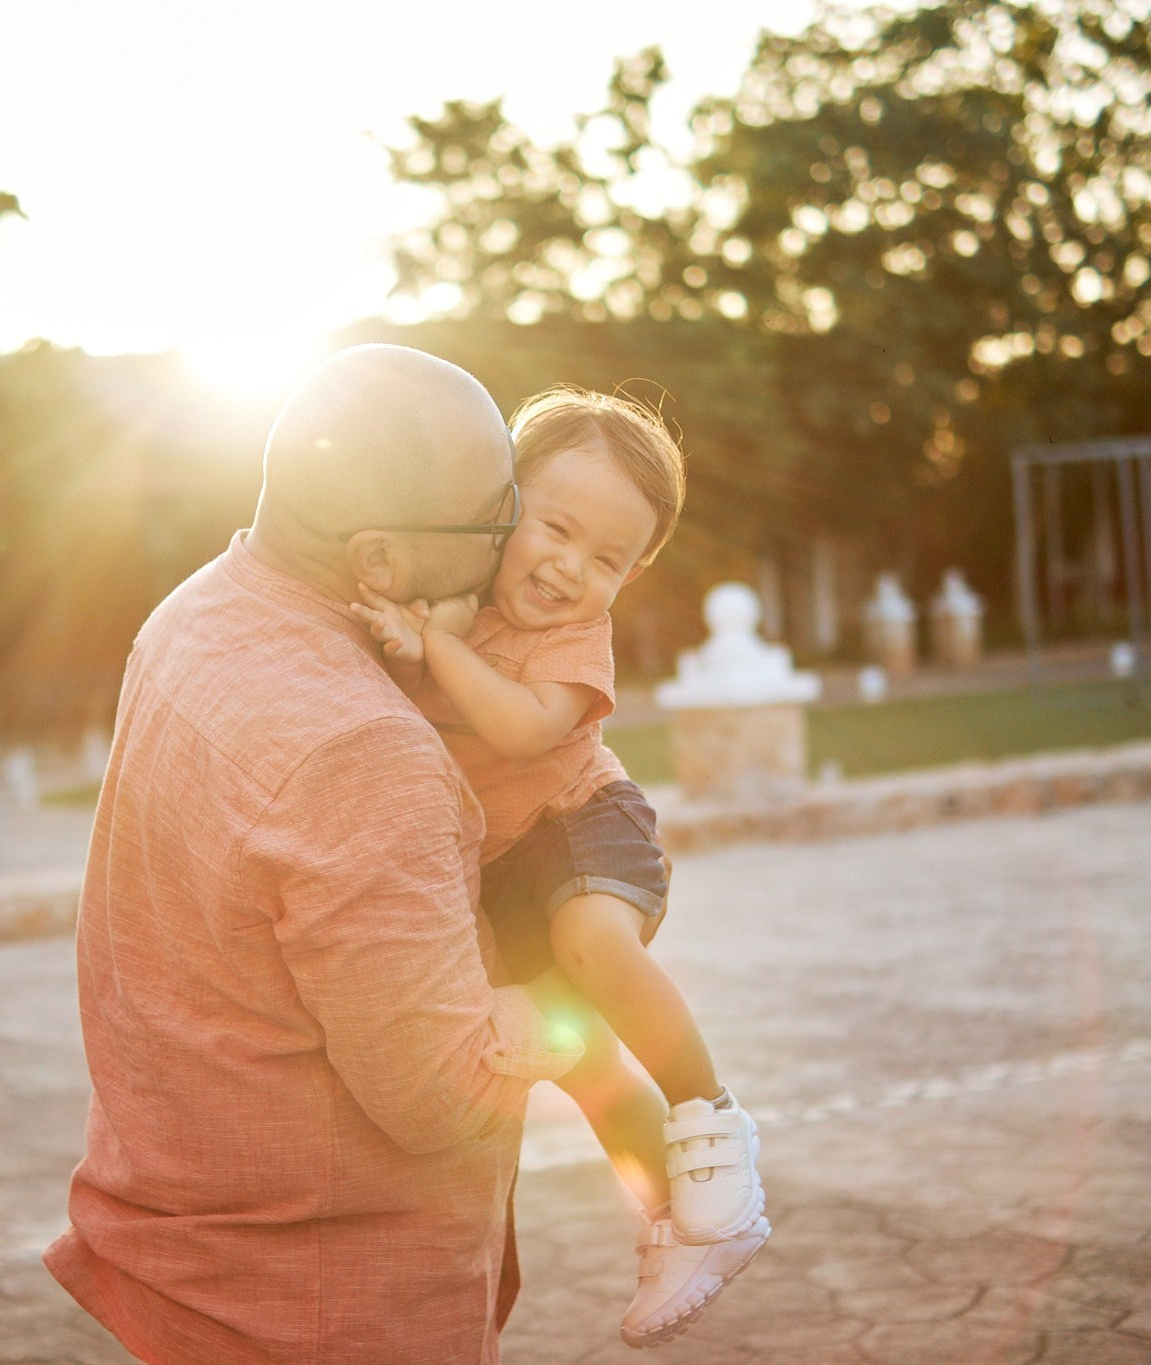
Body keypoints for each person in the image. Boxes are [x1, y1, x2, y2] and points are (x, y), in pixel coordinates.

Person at [42, 345, 583, 1364]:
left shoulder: (195, 611)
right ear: (376, 563)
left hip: (196, 1245)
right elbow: (436, 1095)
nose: (518, 544)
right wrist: (573, 991)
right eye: (494, 519)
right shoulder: (361, 750)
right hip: (322, 1301)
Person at [349, 388, 770, 1349]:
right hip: (496, 871)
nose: (570, 566)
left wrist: (439, 646)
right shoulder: (454, 592)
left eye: (608, 560)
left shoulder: (574, 639)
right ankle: (676, 1219)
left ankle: (713, 1120)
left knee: (590, 946)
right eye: (557, 527)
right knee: (575, 1059)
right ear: (504, 503)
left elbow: (525, 726)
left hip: (579, 823)